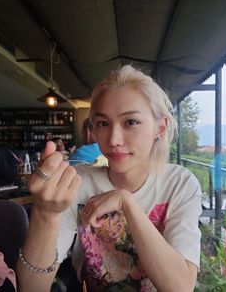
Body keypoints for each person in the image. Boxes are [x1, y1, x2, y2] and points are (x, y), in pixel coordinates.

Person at [17, 65, 202, 292]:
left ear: (160, 127)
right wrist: (45, 214)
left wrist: (126, 202)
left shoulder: (179, 184)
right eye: (103, 124)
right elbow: (31, 288)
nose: (113, 139)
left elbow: (180, 287)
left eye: (130, 122)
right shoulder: (77, 183)